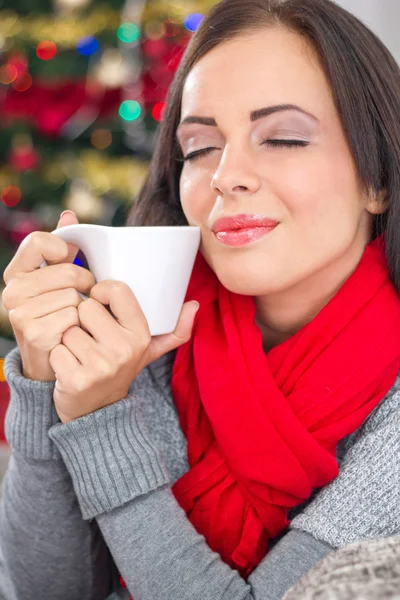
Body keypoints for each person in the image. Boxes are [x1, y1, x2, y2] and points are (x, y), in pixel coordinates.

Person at [1, 0, 400, 598]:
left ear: (378, 179)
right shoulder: (149, 331)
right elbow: (49, 590)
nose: (224, 175)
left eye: (284, 138)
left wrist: (100, 424)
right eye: (199, 147)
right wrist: (41, 384)